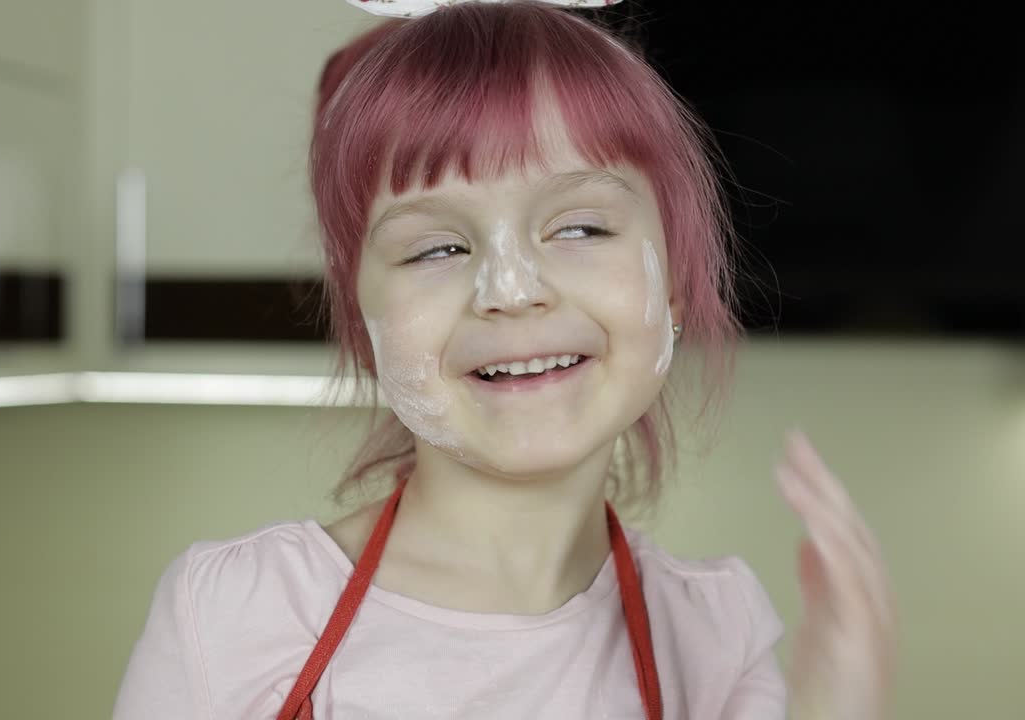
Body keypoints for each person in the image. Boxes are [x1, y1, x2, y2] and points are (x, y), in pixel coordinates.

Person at [113, 2, 896, 718]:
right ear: (363, 316)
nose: (512, 292)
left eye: (581, 228)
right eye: (437, 247)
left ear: (675, 287)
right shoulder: (229, 619)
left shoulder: (715, 636)